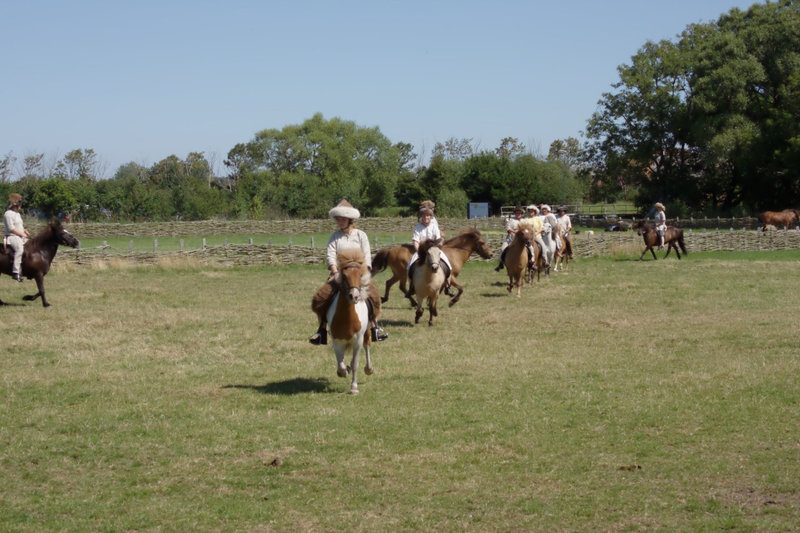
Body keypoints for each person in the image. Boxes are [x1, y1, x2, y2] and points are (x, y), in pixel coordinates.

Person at [309, 199, 387, 345]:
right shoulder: (335, 237)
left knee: (374, 296)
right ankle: (322, 330)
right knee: (322, 298)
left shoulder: (360, 235)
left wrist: (365, 271)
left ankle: (375, 326)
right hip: (339, 274)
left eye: (342, 218)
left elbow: (367, 254)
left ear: (349, 219)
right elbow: (330, 255)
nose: (340, 221)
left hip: (359, 273)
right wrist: (334, 271)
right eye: (338, 219)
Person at [407, 203, 453, 296]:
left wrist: (438, 247)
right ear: (421, 217)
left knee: (449, 266)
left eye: (428, 215)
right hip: (422, 251)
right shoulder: (418, 228)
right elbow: (416, 241)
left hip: (434, 251)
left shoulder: (434, 226)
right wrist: (418, 251)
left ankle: (448, 287)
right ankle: (411, 288)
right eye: (424, 216)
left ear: (430, 216)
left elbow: (439, 239)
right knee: (409, 267)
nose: (426, 217)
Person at [3, 193, 29, 282]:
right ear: (15, 203)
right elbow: (11, 228)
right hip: (12, 237)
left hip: (20, 236)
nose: (20, 205)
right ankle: (16, 272)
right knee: (20, 250)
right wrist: (21, 234)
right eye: (19, 203)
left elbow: (18, 225)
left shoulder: (17, 214)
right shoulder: (8, 214)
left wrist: (24, 230)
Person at [495, 206, 524, 271]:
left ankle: (531, 262)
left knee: (530, 248)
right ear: (515, 213)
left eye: (519, 213)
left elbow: (526, 230)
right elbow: (508, 229)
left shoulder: (524, 221)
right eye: (517, 213)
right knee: (503, 249)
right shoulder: (511, 220)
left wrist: (519, 231)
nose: (518, 214)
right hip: (510, 239)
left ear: (522, 214)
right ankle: (501, 263)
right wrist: (514, 231)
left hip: (521, 240)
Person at [521, 204, 548, 269]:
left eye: (532, 211)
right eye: (530, 211)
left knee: (543, 246)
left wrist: (536, 233)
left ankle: (545, 261)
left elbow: (541, 227)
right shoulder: (526, 219)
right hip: (528, 237)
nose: (531, 212)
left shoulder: (538, 219)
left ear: (535, 212)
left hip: (537, 236)